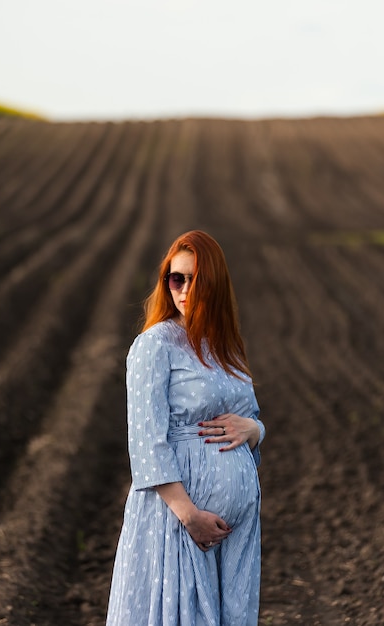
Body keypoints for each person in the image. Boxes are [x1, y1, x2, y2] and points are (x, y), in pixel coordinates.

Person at [106, 230, 265, 626]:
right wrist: (187, 513)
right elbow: (145, 440)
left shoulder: (226, 347)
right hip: (178, 522)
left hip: (235, 534)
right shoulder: (155, 345)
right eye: (176, 278)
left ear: (216, 284)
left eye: (195, 279)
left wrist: (254, 430)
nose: (184, 288)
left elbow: (251, 419)